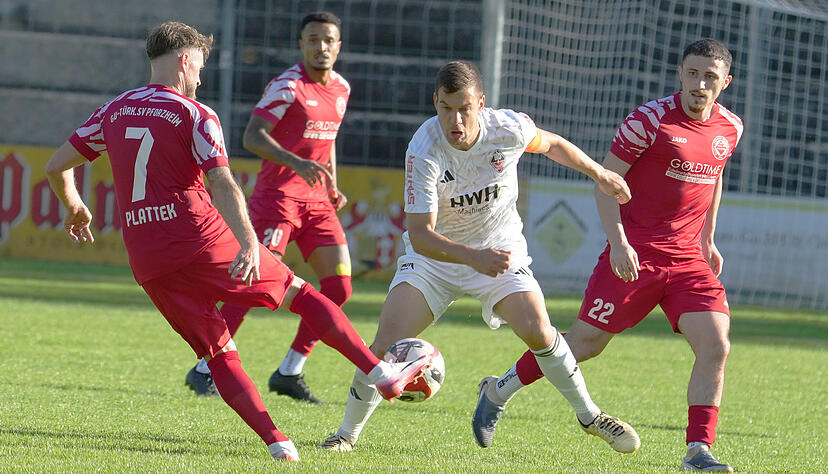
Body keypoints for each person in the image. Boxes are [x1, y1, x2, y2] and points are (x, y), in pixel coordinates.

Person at [44, 21, 430, 463]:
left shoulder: (114, 110)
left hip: (148, 261)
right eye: (200, 66)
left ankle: (279, 445)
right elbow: (223, 182)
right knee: (302, 294)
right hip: (201, 240)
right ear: (184, 60)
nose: (201, 76)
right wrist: (248, 242)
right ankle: (380, 373)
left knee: (218, 352)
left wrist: (74, 206)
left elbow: (57, 165)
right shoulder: (196, 114)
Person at [318, 60, 641, 455]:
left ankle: (590, 416)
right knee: (384, 346)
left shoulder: (507, 128)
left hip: (499, 249)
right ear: (435, 102)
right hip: (436, 261)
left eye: (464, 109)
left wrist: (599, 174)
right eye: (446, 108)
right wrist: (473, 258)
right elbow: (420, 235)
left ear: (481, 104)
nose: (455, 120)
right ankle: (346, 435)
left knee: (539, 331)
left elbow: (551, 143)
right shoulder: (423, 149)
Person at [473, 39, 741, 472]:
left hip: (688, 260)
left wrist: (708, 239)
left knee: (716, 345)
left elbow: (716, 176)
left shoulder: (730, 127)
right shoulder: (648, 120)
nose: (699, 84)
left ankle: (698, 451)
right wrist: (618, 242)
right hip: (635, 254)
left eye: (710, 76)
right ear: (680, 73)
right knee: (584, 344)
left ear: (725, 82)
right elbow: (606, 181)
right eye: (692, 73)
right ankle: (498, 390)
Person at [184, 11, 351, 404]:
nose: (321, 47)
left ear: (338, 46)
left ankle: (290, 371)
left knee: (339, 286)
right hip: (278, 200)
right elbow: (252, 136)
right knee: (253, 285)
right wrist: (296, 163)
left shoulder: (342, 88)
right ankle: (205, 368)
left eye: (328, 40)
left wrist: (331, 182)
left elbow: (327, 142)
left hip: (317, 202)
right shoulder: (287, 86)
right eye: (313, 40)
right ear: (302, 44)